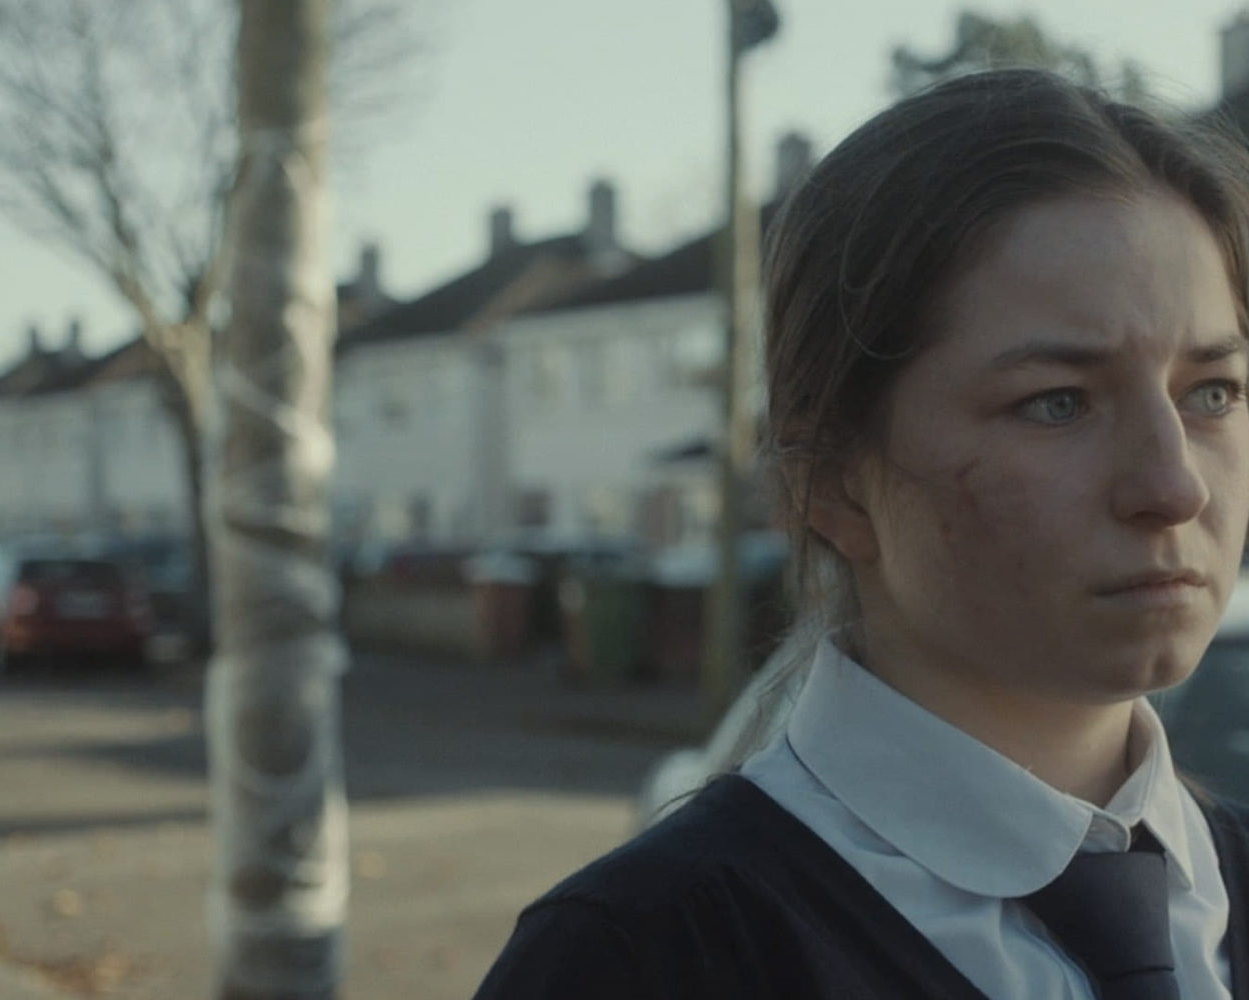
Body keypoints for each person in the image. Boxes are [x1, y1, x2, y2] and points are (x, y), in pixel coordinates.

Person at [473, 68, 1249, 999]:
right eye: (1056, 403)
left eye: (1212, 393)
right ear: (831, 481)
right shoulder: (642, 959)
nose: (1172, 486)